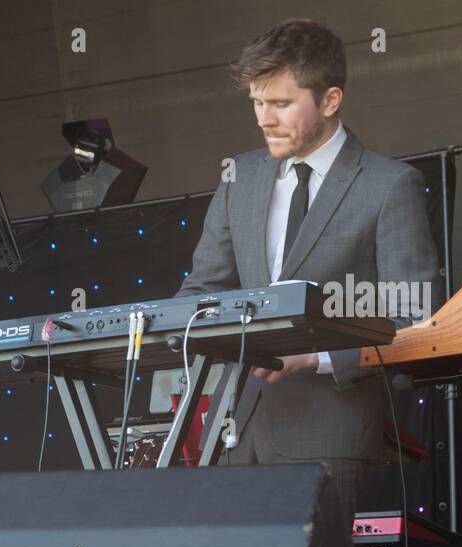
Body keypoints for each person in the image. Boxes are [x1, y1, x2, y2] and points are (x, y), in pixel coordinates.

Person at [178, 17, 439, 518]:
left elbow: (415, 324)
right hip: (232, 434)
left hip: (328, 431)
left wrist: (312, 358)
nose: (263, 119)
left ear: (330, 100)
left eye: (280, 104)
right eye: (257, 102)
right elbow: (201, 291)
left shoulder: (389, 185)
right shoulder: (239, 177)